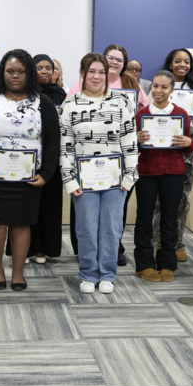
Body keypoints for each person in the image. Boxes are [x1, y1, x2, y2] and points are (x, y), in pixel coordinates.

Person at [0, 50, 60, 290]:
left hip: (29, 177)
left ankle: (18, 273)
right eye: (10, 71)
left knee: (22, 224)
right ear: (2, 73)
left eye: (21, 71)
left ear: (28, 74)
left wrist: (47, 173)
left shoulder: (43, 103)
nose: (15, 76)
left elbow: (52, 141)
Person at [60, 53, 138, 294]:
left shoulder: (121, 102)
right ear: (82, 74)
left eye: (101, 72)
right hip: (83, 181)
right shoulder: (70, 104)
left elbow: (130, 142)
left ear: (108, 74)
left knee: (112, 228)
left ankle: (107, 274)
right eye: (91, 71)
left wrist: (129, 177)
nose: (96, 76)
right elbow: (65, 146)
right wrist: (69, 181)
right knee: (85, 228)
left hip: (116, 181)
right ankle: (87, 273)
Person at [66, 44, 148, 261]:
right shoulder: (78, 87)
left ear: (124, 64)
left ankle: (112, 251)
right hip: (85, 165)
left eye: (118, 60)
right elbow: (67, 127)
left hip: (117, 164)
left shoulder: (131, 86)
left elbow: (144, 115)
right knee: (85, 215)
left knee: (113, 215)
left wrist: (139, 135)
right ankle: (84, 252)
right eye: (109, 58)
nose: (113, 62)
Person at [134, 70, 193, 283]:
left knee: (170, 218)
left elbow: (188, 145)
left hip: (173, 173)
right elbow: (133, 147)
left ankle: (167, 263)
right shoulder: (141, 114)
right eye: (155, 86)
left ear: (172, 89)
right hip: (147, 172)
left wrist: (191, 143)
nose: (159, 90)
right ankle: (144, 264)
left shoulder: (180, 113)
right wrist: (136, 139)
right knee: (144, 218)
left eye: (164, 87)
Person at [157, 48, 193, 264]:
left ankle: (177, 243)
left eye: (186, 62)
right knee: (159, 199)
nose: (182, 65)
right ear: (170, 64)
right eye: (177, 61)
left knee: (182, 198)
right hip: (159, 149)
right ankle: (157, 243)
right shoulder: (160, 83)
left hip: (186, 150)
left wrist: (189, 133)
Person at [29, 54, 67, 263]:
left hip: (54, 155)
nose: (44, 71)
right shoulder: (24, 95)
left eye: (48, 68)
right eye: (39, 67)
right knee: (28, 203)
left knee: (50, 204)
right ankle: (26, 249)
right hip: (29, 155)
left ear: (54, 72)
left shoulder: (62, 95)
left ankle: (43, 249)